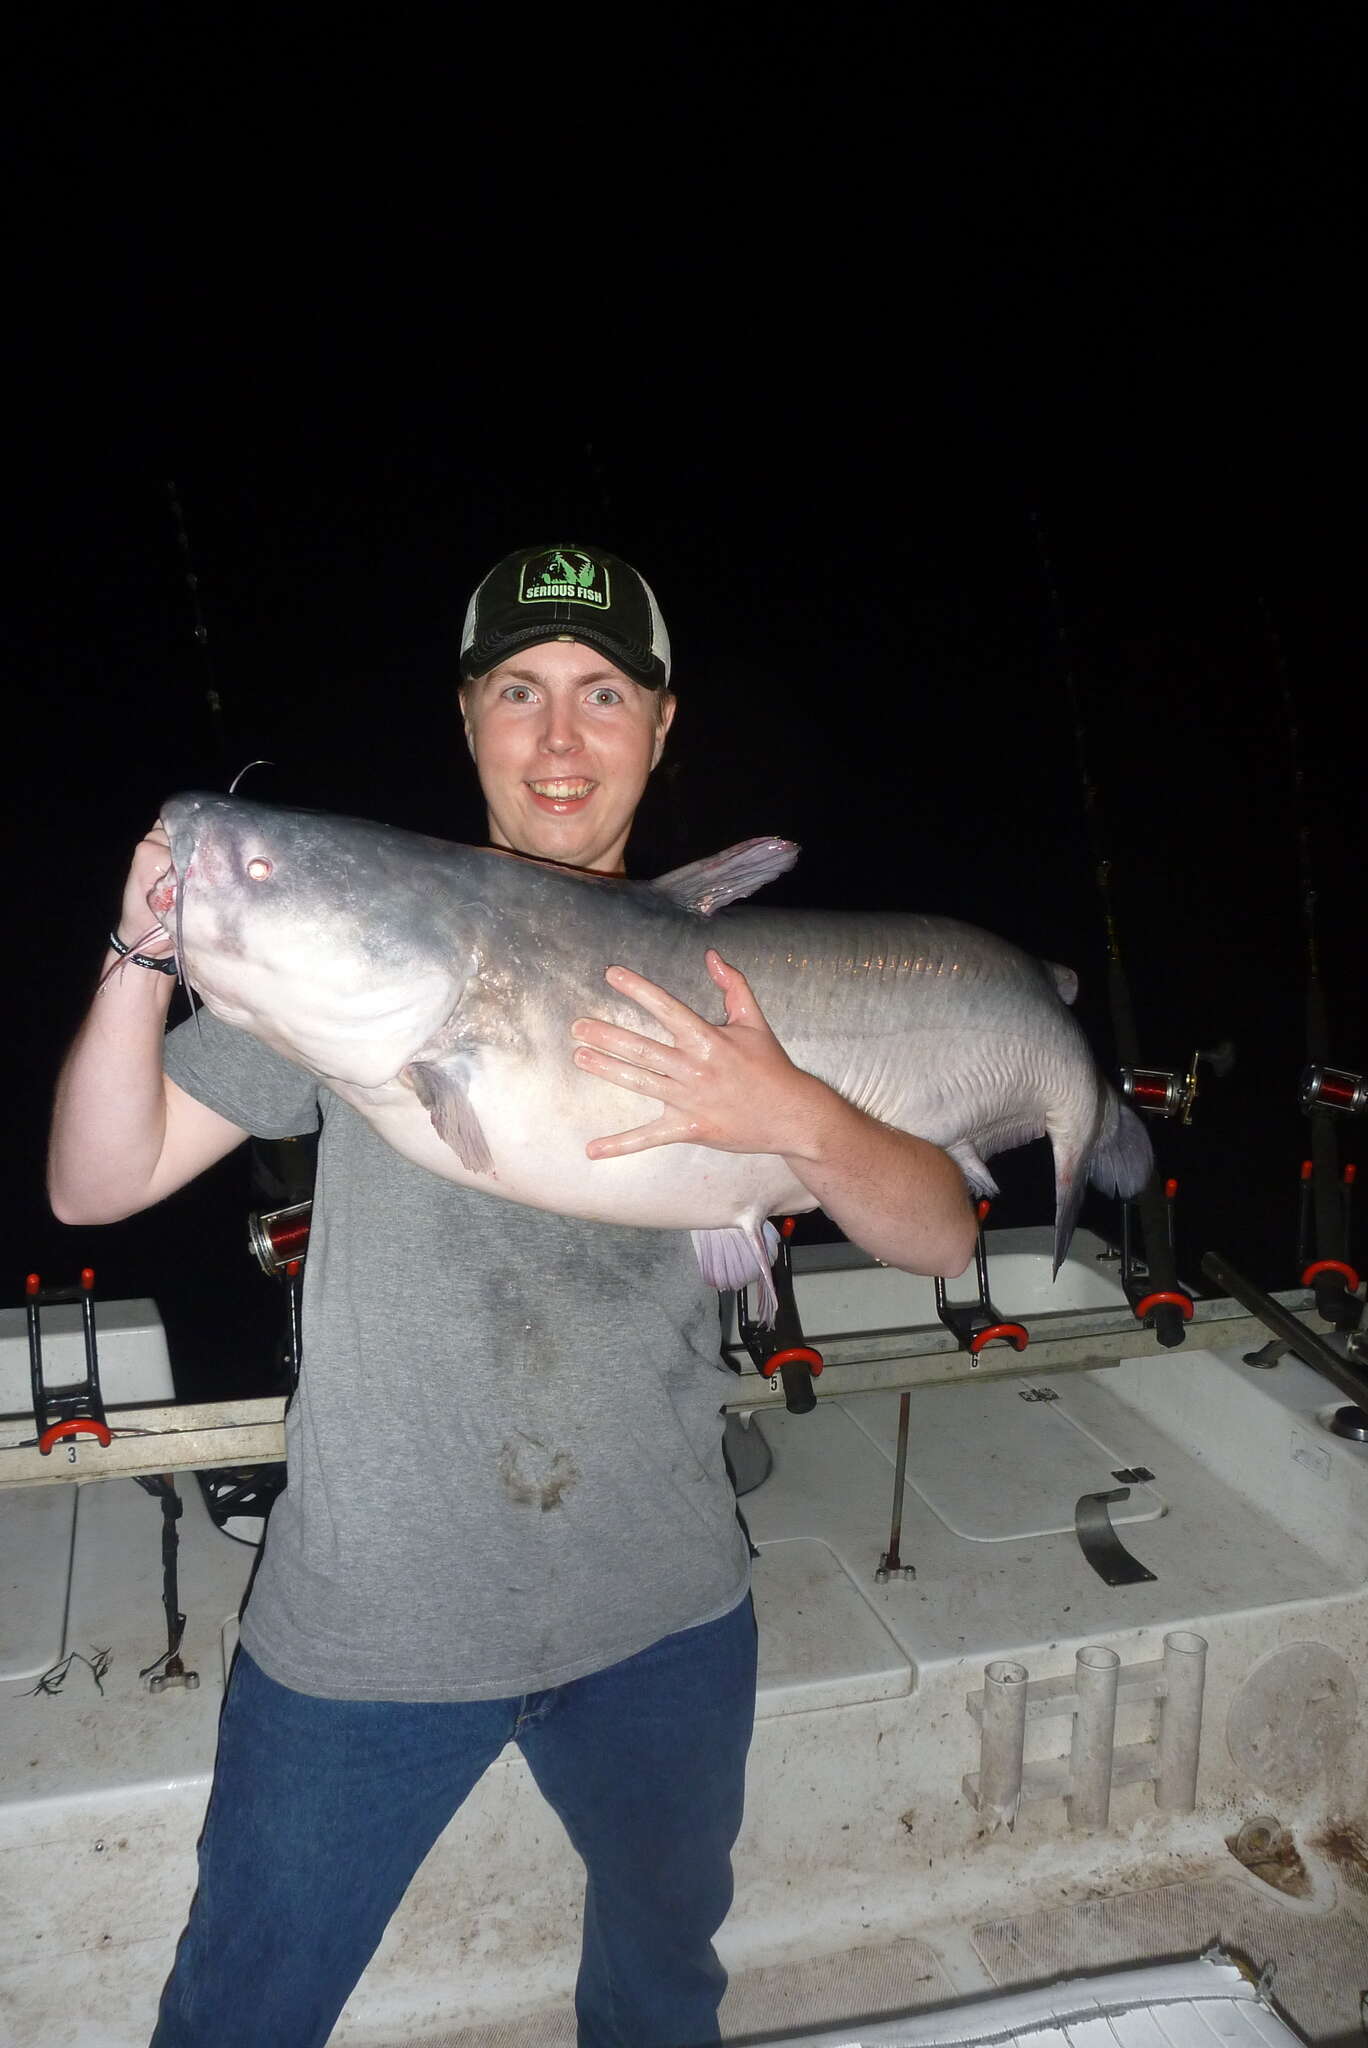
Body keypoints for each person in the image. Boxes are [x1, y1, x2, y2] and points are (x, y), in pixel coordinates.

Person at [48, 542, 976, 2048]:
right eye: (521, 693)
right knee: (241, 2013)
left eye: (604, 694)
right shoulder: (365, 967)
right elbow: (99, 1180)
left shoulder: (733, 988)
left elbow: (939, 1239)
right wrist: (143, 953)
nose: (559, 739)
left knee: (662, 1986)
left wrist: (788, 1110)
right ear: (469, 717)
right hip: (370, 1630)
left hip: (666, 1610)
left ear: (662, 730)